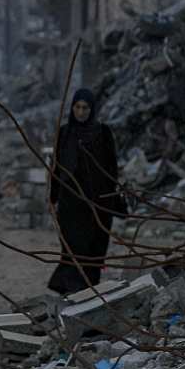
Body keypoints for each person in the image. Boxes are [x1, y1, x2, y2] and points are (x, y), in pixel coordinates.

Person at [47, 89, 123, 295]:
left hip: (97, 205)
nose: (81, 112)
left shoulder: (103, 133)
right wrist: (53, 197)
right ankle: (71, 292)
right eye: (77, 107)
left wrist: (107, 197)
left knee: (94, 252)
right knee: (72, 251)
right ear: (72, 108)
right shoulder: (64, 133)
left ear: (92, 109)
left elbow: (112, 170)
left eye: (85, 108)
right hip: (71, 204)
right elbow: (57, 168)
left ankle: (89, 293)